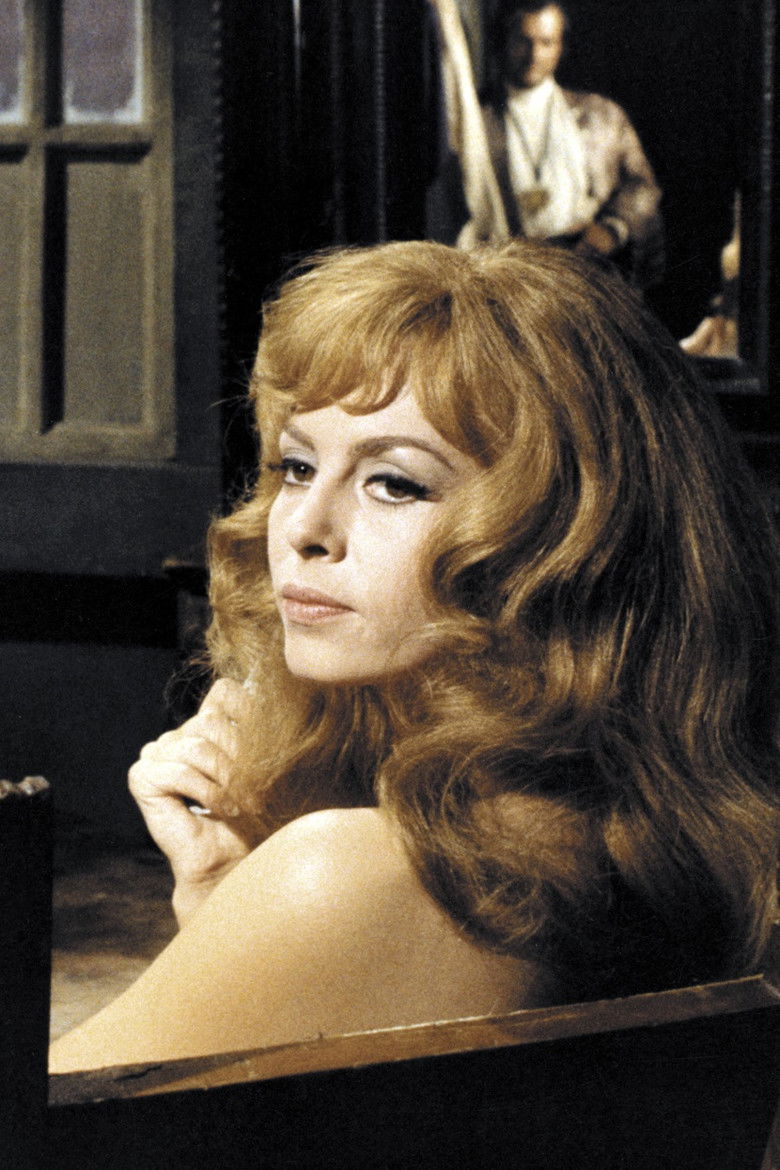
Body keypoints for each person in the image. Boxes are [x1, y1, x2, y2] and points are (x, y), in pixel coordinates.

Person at [49, 240, 778, 1074]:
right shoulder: (629, 845)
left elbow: (35, 1128)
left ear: (571, 535)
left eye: (394, 483)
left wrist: (271, 909)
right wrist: (225, 909)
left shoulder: (363, 876)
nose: (303, 527)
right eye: (296, 466)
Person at [458, 1, 664, 288]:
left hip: (586, 270)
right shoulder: (476, 121)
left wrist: (612, 228)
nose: (534, 54)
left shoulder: (601, 115)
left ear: (561, 46)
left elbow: (642, 187)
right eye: (523, 41)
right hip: (509, 278)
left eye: (546, 42)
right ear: (504, 41)